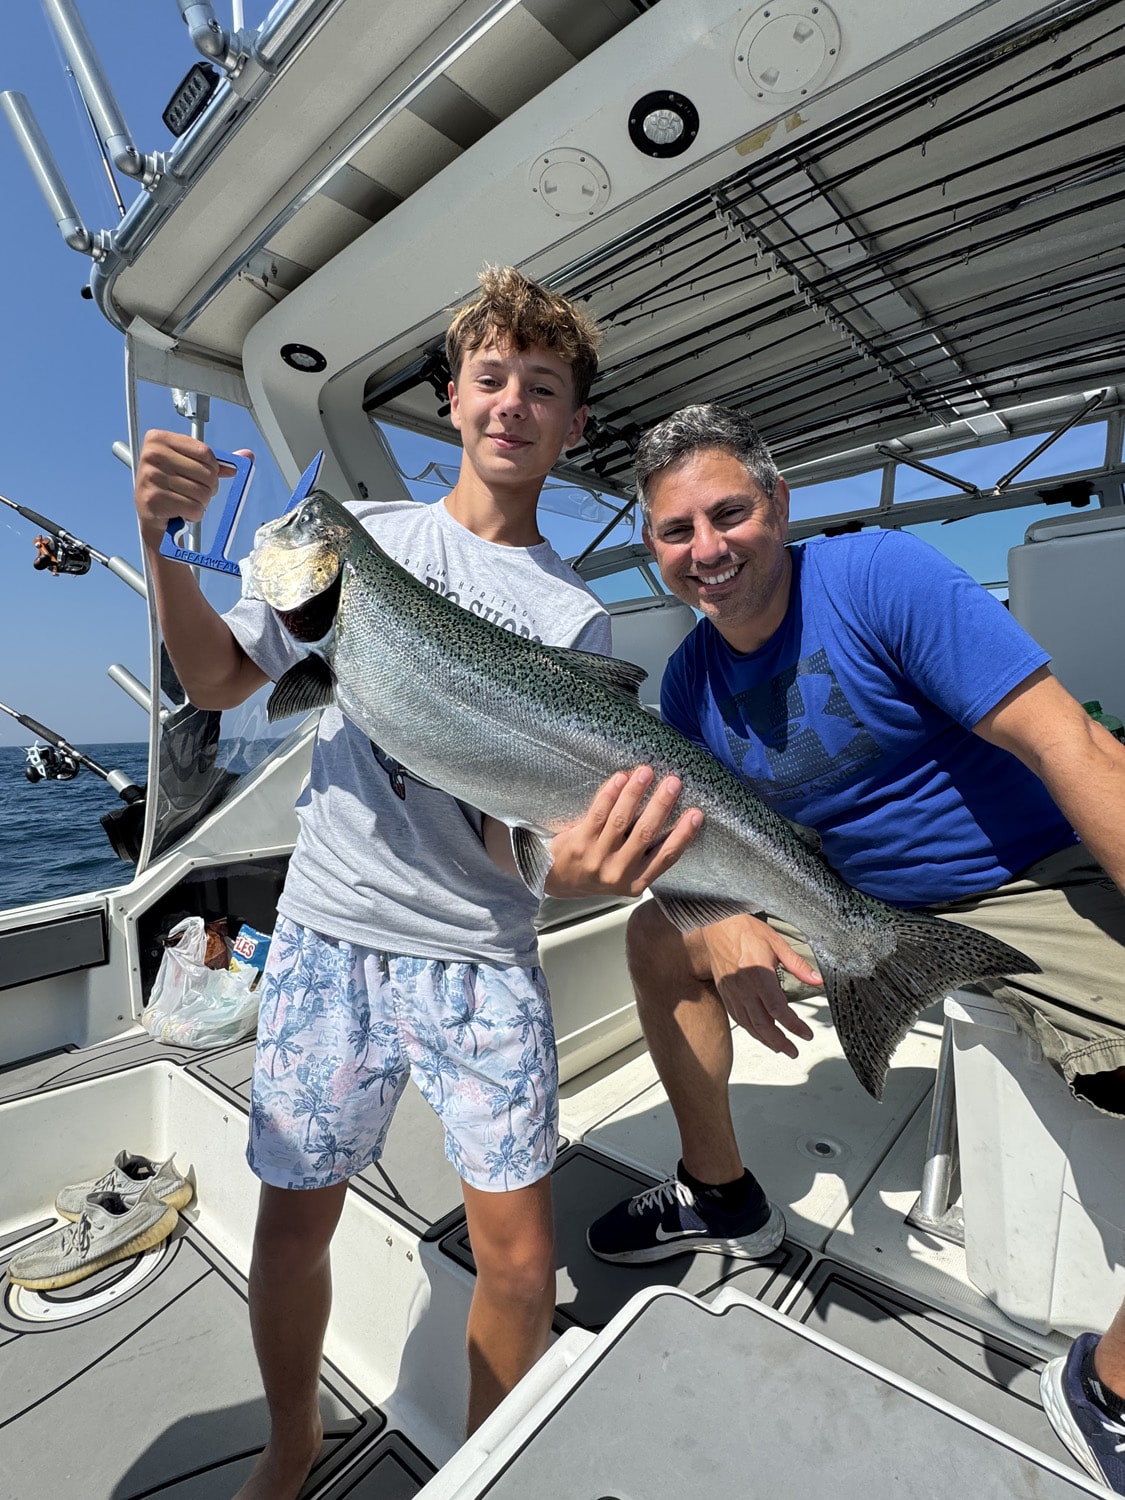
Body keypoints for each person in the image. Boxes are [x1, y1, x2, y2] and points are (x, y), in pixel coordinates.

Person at [133, 266, 698, 1500]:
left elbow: (517, 841)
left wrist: (573, 871)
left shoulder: (573, 614)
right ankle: (291, 1444)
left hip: (482, 955)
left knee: (521, 1260)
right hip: (329, 938)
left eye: (541, 387)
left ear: (573, 424)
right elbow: (223, 681)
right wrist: (165, 550)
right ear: (452, 399)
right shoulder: (359, 538)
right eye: (491, 379)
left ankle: (480, 1477)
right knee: (295, 1218)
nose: (512, 404)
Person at [583, 403, 1125, 1493]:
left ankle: (1103, 1388)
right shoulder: (688, 684)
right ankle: (718, 1194)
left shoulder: (880, 578)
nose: (707, 549)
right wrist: (714, 913)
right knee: (658, 935)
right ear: (651, 549)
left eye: (728, 514)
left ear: (778, 506)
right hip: (840, 893)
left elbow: (1068, 740)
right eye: (676, 532)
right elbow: (690, 839)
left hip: (1025, 874)